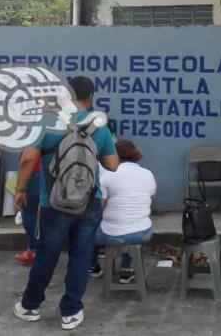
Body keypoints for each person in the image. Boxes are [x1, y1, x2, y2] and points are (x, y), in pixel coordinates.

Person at [13, 76, 118, 331]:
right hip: (89, 201)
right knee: (81, 255)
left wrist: (19, 189)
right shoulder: (99, 125)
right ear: (90, 98)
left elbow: (28, 158)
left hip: (54, 203)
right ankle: (71, 312)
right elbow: (112, 164)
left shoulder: (49, 121)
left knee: (47, 254)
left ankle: (30, 305)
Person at [89, 139, 156, 283]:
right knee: (131, 224)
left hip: (112, 235)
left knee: (87, 229)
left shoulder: (107, 175)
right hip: (144, 233)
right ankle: (126, 269)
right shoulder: (148, 174)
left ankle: (92, 266)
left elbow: (99, 208)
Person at [14, 153, 41, 265]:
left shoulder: (35, 136)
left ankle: (33, 250)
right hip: (58, 175)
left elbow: (27, 158)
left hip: (36, 174)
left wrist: (19, 188)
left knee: (29, 211)